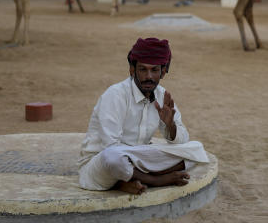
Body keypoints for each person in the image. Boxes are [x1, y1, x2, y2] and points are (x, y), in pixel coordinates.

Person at [78, 37, 209, 194]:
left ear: (163, 72)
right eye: (142, 69)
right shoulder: (115, 95)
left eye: (154, 70)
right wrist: (146, 165)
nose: (148, 76)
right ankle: (155, 179)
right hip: (100, 165)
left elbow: (183, 140)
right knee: (113, 157)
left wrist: (170, 125)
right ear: (132, 70)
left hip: (137, 159)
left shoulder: (162, 96)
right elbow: (110, 146)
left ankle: (131, 179)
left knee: (196, 149)